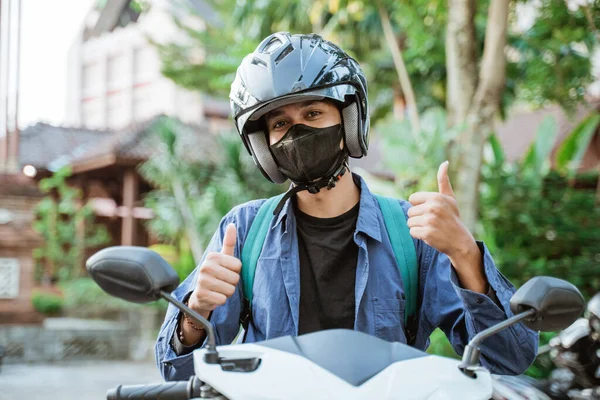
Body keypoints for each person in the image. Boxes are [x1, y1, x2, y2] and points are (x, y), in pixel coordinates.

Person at [155, 32, 538, 381]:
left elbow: (508, 359)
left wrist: (464, 254)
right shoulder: (243, 232)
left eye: (312, 114)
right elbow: (176, 372)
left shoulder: (411, 234)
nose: (297, 132)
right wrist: (197, 311)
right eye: (280, 124)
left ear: (349, 121)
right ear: (264, 146)